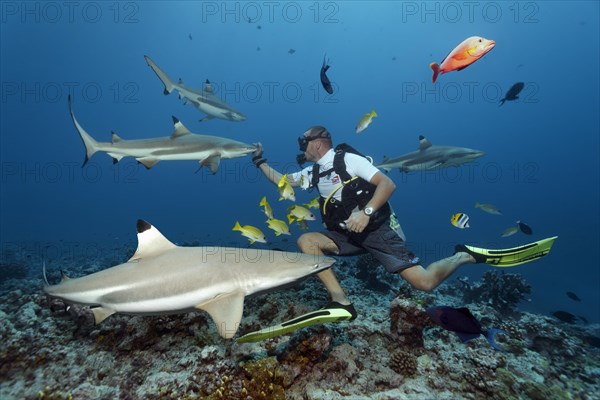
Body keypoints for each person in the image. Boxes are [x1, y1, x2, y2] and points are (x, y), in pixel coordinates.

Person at [244, 126, 556, 338]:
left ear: (317, 142)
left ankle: (464, 255)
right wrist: (259, 161)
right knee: (306, 240)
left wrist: (366, 213)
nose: (301, 149)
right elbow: (284, 181)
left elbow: (388, 184)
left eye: (303, 143)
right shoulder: (312, 172)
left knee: (425, 283)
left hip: (376, 229)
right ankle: (342, 303)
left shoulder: (347, 159)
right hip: (345, 235)